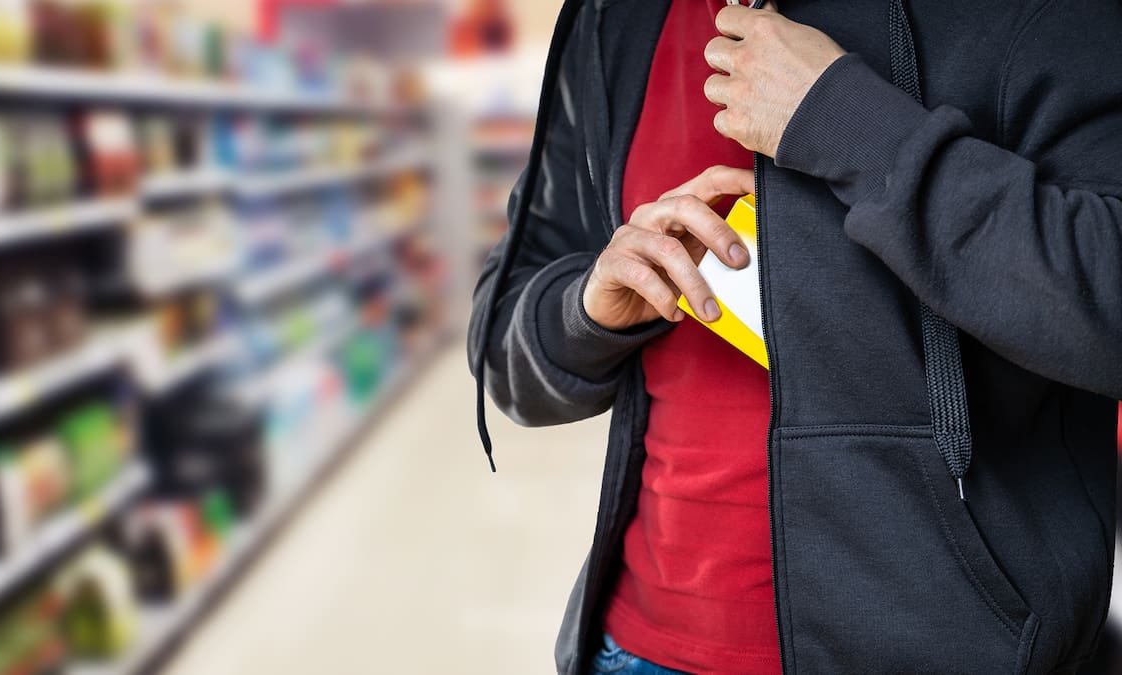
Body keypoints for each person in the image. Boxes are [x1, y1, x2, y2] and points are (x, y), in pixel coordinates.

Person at [467, 0, 1122, 673]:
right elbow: (503, 347)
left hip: (945, 649)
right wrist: (588, 310)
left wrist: (843, 120)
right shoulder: (618, 20)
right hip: (637, 647)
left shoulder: (1043, 15)